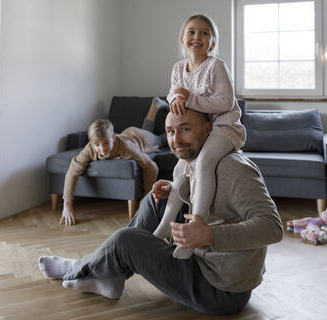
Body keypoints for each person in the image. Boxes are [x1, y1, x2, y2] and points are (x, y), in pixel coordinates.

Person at [38, 109, 283, 315]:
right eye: (170, 131)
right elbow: (210, 201)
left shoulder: (234, 168)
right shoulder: (194, 160)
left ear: (207, 130)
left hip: (221, 288)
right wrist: (176, 190)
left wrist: (210, 235)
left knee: (126, 240)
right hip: (202, 260)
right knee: (156, 202)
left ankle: (80, 268)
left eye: (185, 129)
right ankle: (109, 274)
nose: (176, 139)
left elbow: (272, 226)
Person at [152, 14, 247, 259]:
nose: (198, 37)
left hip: (224, 127)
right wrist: (175, 99)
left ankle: (196, 229)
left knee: (204, 162)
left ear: (212, 42)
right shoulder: (177, 68)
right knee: (177, 171)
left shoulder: (216, 66)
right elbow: (173, 95)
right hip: (199, 131)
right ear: (182, 39)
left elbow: (226, 102)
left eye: (205, 33)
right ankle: (164, 225)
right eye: (192, 32)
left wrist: (189, 98)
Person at [60, 100, 166, 226]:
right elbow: (72, 171)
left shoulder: (126, 148)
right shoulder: (89, 149)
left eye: (106, 143)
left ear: (113, 138)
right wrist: (67, 205)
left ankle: (157, 107)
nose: (102, 149)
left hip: (142, 139)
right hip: (128, 133)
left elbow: (151, 167)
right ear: (90, 142)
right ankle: (155, 105)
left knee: (163, 139)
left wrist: (146, 195)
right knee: (149, 132)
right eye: (97, 145)